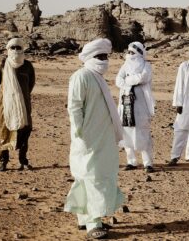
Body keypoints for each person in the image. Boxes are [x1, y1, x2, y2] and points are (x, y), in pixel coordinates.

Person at [64, 38, 125, 239]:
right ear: (90, 57)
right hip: (88, 139)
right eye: (100, 57)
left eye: (106, 57)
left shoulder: (97, 78)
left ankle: (84, 219)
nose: (104, 60)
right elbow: (74, 107)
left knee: (94, 177)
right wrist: (79, 133)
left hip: (103, 139)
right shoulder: (81, 76)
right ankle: (93, 223)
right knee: (92, 178)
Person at [0, 37, 35, 172]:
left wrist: (21, 96)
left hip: (24, 105)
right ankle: (3, 162)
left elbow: (31, 84)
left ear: (22, 49)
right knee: (5, 132)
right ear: (8, 49)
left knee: (24, 132)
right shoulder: (2, 64)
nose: (16, 50)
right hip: (6, 106)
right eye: (13, 47)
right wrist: (7, 98)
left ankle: (23, 161)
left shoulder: (28, 66)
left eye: (19, 47)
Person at [115, 41, 156, 173]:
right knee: (126, 131)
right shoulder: (125, 65)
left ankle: (148, 163)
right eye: (129, 51)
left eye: (133, 52)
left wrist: (128, 79)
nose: (130, 54)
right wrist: (132, 79)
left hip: (140, 105)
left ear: (139, 52)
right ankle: (131, 162)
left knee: (142, 131)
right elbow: (118, 81)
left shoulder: (146, 65)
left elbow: (143, 78)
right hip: (126, 103)